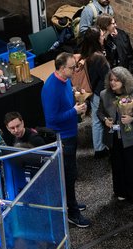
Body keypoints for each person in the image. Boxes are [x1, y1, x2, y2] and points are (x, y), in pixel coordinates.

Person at [41, 52, 90, 228]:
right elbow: (52, 119)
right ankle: (72, 213)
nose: (75, 69)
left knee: (72, 173)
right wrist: (74, 111)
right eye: (71, 67)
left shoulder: (65, 81)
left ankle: (72, 203)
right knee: (68, 176)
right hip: (63, 138)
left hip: (71, 133)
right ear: (61, 68)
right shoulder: (51, 87)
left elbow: (66, 99)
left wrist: (76, 95)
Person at [98, 66, 133, 206]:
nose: (113, 83)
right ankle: (121, 191)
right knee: (117, 165)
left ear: (124, 81)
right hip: (114, 137)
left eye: (117, 80)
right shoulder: (104, 94)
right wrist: (105, 120)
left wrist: (132, 120)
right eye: (111, 80)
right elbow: (100, 112)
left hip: (132, 138)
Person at [79, 27, 111, 159]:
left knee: (96, 119)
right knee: (98, 120)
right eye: (101, 36)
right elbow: (107, 76)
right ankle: (99, 149)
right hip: (100, 92)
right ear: (96, 40)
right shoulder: (98, 57)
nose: (103, 38)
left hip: (93, 90)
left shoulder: (87, 53)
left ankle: (99, 146)